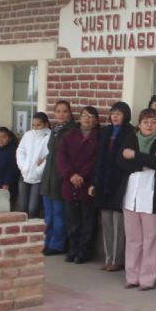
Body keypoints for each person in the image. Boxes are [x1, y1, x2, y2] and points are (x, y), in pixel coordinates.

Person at [118, 108, 156, 291]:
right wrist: (148, 160)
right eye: (145, 122)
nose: (149, 125)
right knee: (133, 239)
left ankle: (147, 279)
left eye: (153, 122)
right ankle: (132, 276)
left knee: (152, 240)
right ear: (139, 124)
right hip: (131, 197)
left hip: (154, 197)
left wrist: (135, 156)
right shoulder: (131, 138)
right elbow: (120, 161)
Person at [90, 101, 134, 272]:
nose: (115, 116)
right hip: (103, 181)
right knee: (106, 222)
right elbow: (98, 159)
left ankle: (117, 259)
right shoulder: (106, 132)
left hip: (119, 181)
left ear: (126, 116)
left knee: (119, 223)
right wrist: (94, 182)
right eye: (113, 113)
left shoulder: (130, 132)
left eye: (119, 113)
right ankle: (108, 257)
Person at [57, 106, 99, 264]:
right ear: (79, 118)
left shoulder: (98, 138)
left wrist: (82, 175)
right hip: (70, 183)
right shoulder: (69, 136)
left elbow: (95, 161)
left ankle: (84, 251)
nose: (87, 119)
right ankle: (72, 249)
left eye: (91, 117)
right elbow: (61, 157)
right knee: (72, 220)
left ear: (95, 121)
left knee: (87, 221)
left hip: (87, 184)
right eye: (84, 116)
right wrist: (71, 175)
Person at [40, 101, 76, 256]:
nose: (61, 114)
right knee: (48, 214)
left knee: (59, 214)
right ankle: (48, 241)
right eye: (58, 111)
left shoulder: (72, 131)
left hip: (60, 177)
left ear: (70, 113)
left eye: (65, 111)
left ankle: (57, 244)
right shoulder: (55, 130)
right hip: (48, 176)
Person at [16, 112, 51, 218]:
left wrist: (38, 170)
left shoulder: (50, 136)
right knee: (22, 206)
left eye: (38, 125)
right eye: (33, 125)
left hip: (39, 177)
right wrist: (23, 166)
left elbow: (50, 155)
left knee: (33, 207)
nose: (36, 128)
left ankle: (31, 230)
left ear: (46, 124)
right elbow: (20, 151)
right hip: (25, 174)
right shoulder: (28, 135)